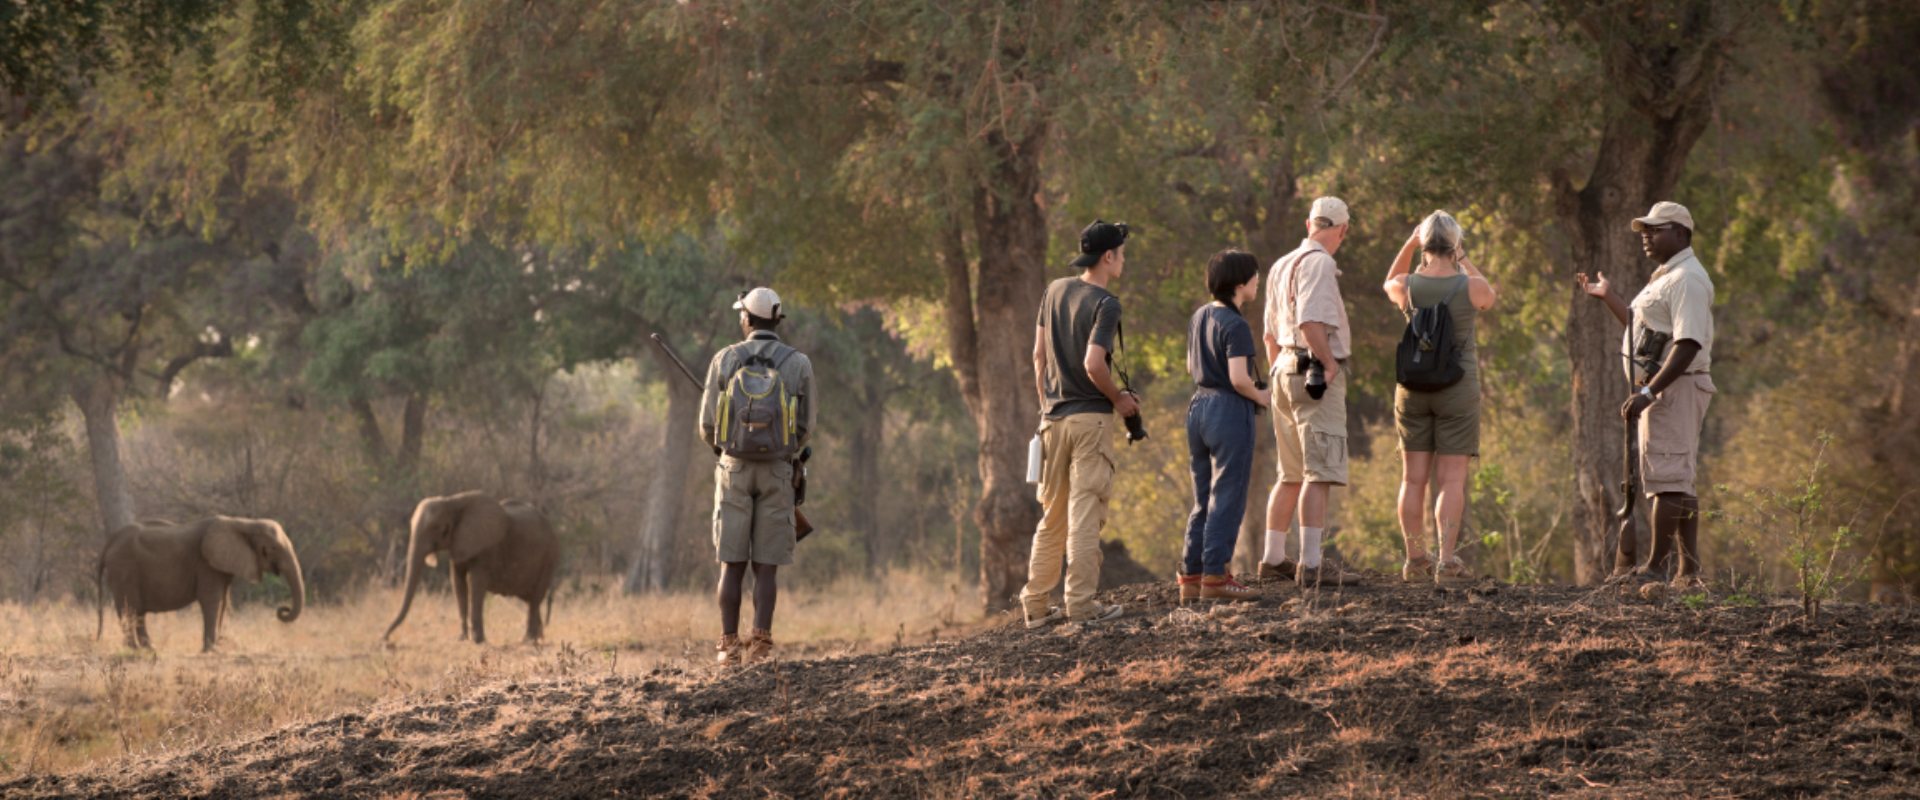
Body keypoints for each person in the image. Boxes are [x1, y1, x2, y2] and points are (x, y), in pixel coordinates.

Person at [1576, 202, 1716, 590]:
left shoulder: (1686, 278)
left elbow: (1686, 345)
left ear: (1682, 234)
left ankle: (1655, 568)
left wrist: (1649, 392)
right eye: (1646, 230)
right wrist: (1609, 297)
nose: (1647, 235)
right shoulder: (1668, 277)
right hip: (1669, 388)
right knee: (1678, 480)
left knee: (1667, 480)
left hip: (1674, 388)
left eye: (1657, 229)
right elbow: (1646, 334)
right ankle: (1689, 572)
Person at [1023, 220, 1135, 628]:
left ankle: (1035, 607)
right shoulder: (1106, 303)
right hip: (1090, 420)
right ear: (1108, 257)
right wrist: (1120, 400)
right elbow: (1094, 364)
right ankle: (1082, 606)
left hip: (1052, 418)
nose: (1123, 259)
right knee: (1085, 513)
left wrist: (1047, 405)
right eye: (1122, 253)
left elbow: (1038, 356)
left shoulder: (1053, 290)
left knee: (1052, 517)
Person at [699, 287, 817, 665]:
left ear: (747, 319)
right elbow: (806, 426)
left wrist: (730, 450)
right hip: (779, 471)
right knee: (766, 566)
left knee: (731, 564)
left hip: (733, 470)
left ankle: (728, 648)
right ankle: (761, 646)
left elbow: (706, 425)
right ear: (777, 320)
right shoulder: (798, 363)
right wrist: (780, 450)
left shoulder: (725, 358)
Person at [1382, 211, 1498, 585]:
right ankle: (1447, 562)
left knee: (1412, 479)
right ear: (1455, 243)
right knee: (1451, 480)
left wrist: (1410, 243)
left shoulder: (1407, 286)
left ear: (1425, 243)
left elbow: (1388, 281)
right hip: (1457, 389)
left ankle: (1415, 561)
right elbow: (1489, 296)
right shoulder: (1470, 287)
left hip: (1412, 388)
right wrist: (1462, 257)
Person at [1257, 197, 1364, 588]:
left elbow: (1270, 333)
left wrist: (1277, 371)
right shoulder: (1319, 263)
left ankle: (1272, 558)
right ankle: (1312, 564)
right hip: (1312, 371)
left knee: (1290, 473)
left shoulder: (1281, 264)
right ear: (1343, 229)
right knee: (1318, 472)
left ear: (1308, 223)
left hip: (1283, 368)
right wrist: (1329, 363)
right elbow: (1310, 320)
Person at [1177, 250, 1271, 604]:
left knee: (1203, 497)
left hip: (1198, 406)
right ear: (1238, 283)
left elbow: (1191, 366)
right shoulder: (1236, 325)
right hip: (1228, 410)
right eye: (1254, 275)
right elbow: (1238, 378)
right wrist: (1260, 397)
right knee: (1227, 495)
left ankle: (1191, 575)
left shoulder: (1200, 315)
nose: (1257, 281)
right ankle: (1216, 575)